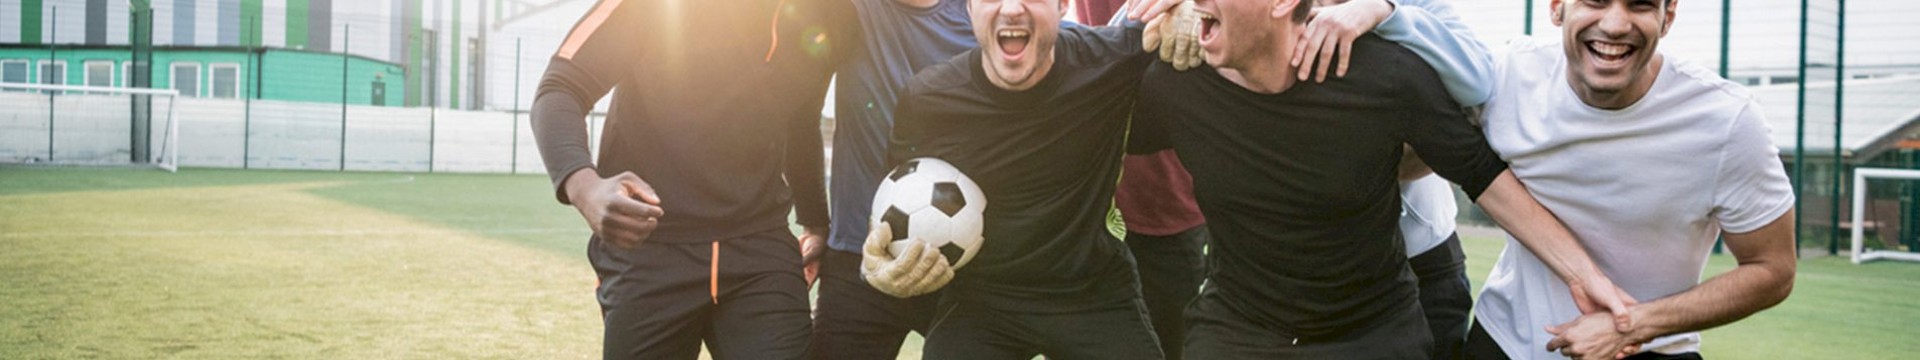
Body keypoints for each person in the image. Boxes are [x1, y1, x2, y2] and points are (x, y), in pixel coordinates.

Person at [1127, 0, 1635, 357]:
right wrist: (1137, 29)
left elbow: (1485, 178)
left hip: (1371, 335)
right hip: (1236, 332)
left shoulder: (1385, 75)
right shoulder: (1176, 83)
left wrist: (1589, 280)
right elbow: (1079, 109)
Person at [1463, 1, 1797, 359]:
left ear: (1667, 18)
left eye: (1640, 5)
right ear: (1558, 7)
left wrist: (1633, 324)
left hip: (1650, 349)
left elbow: (1773, 269)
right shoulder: (1504, 76)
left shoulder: (1727, 121)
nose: (1616, 24)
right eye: (1595, 1)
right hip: (1502, 341)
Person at [527, 0, 852, 358]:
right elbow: (560, 88)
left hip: (761, 249)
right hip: (650, 246)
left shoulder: (831, 14)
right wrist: (584, 187)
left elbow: (800, 121)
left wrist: (816, 222)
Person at [866, 0, 1186, 358]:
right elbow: (894, 208)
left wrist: (1190, 11)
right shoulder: (929, 99)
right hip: (981, 303)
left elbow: (1201, 23)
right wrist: (880, 264)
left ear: (1063, 5)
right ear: (969, 8)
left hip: (1093, 293)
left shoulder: (1111, 61)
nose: (1012, 8)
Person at [1288, 0, 1490, 357]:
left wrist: (1382, 13)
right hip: (1295, 274)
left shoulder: (1408, 4)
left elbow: (1478, 77)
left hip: (1420, 262)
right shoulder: (1267, 9)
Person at [808, 1, 976, 359]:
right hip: (856, 259)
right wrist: (813, 220)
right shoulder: (850, 9)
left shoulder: (981, 15)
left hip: (962, 266)